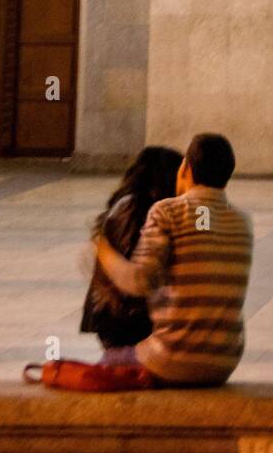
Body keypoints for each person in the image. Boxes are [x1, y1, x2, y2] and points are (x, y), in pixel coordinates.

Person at [95, 133, 253, 388]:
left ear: (186, 168)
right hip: (225, 361)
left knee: (107, 364)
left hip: (171, 359)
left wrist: (102, 251)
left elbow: (139, 281)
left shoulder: (166, 211)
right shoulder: (242, 221)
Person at [81, 145, 182, 353]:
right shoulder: (132, 207)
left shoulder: (148, 207)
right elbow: (132, 275)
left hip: (128, 317)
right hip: (124, 319)